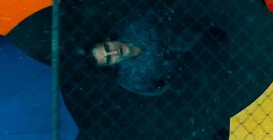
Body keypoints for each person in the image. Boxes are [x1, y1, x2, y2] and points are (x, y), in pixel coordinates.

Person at [84, 9, 226, 96]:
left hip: (185, 36)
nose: (114, 53)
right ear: (111, 66)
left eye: (107, 48)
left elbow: (158, 14)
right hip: (183, 71)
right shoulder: (130, 79)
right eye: (109, 59)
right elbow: (157, 89)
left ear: (107, 40)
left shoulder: (133, 25)